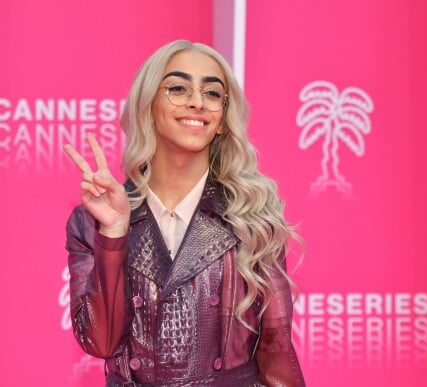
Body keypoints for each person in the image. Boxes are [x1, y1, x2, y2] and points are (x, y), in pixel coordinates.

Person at [64, 39, 305, 387]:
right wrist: (114, 232)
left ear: (222, 120)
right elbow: (100, 342)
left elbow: (276, 350)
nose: (196, 101)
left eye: (211, 93)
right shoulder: (93, 221)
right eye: (177, 88)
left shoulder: (252, 217)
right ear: (148, 106)